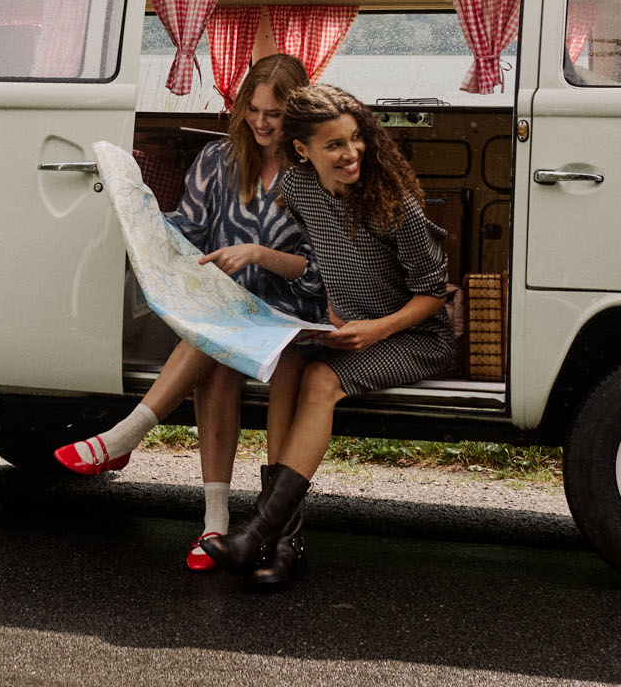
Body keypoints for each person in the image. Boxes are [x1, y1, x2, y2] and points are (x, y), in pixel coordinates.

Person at [55, 53, 323, 570]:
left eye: (275, 114)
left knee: (218, 334)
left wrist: (260, 255)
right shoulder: (218, 160)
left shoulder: (312, 172)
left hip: (287, 313)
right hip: (222, 310)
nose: (262, 123)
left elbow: (320, 271)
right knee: (217, 348)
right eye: (254, 109)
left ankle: (128, 435)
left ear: (297, 114)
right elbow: (191, 235)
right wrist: (142, 213)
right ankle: (214, 523)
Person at [202, 82, 453, 589]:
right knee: (290, 361)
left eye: (356, 139)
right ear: (303, 150)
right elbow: (324, 258)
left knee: (320, 380)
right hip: (353, 330)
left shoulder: (394, 203)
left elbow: (435, 293)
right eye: (334, 145)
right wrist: (333, 319)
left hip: (415, 336)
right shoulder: (296, 189)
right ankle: (285, 546)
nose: (351, 153)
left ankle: (258, 535)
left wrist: (374, 329)